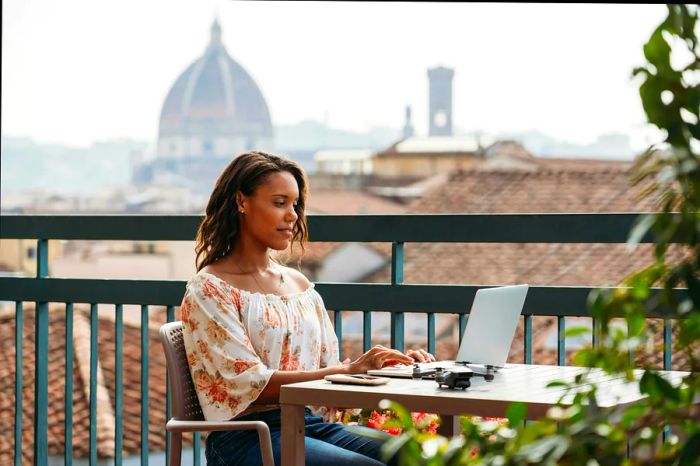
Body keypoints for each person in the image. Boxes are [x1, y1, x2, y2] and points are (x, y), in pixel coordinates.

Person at [181, 150, 436, 466]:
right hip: (246, 436)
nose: (293, 215)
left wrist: (389, 366)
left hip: (309, 425)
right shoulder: (210, 287)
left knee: (418, 457)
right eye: (279, 203)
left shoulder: (300, 286)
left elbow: (325, 371)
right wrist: (347, 370)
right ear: (241, 202)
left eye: (295, 204)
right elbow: (248, 385)